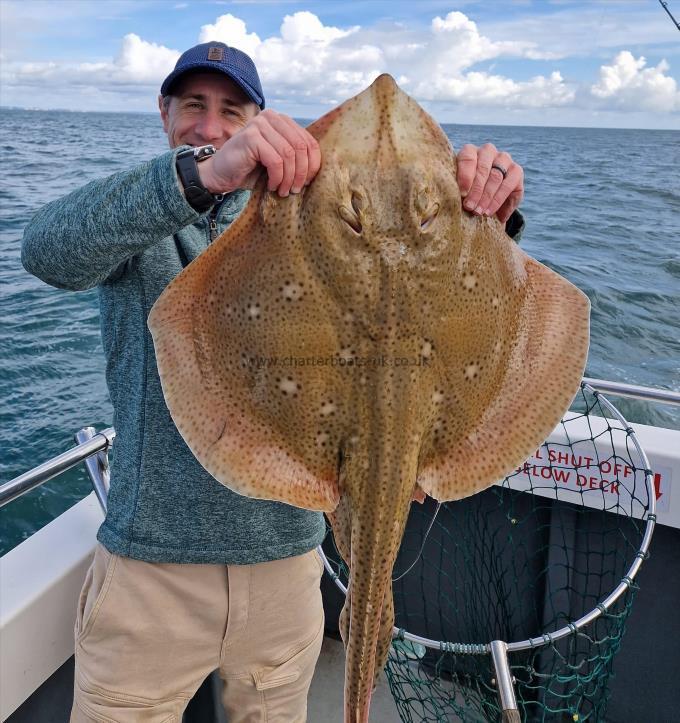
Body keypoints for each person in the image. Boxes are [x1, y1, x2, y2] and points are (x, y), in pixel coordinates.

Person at [21, 41, 525, 722]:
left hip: (288, 568)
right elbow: (46, 249)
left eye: (231, 109)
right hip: (153, 572)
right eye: (193, 106)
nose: (209, 124)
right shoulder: (141, 216)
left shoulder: (308, 202)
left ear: (260, 117)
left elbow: (459, 304)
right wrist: (203, 177)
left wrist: (489, 218)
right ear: (163, 112)